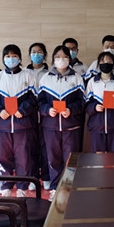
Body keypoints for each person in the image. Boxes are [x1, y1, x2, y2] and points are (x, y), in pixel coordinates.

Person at [0, 44, 37, 197]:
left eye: (14, 56)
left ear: (20, 58)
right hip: (1, 126)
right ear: (3, 59)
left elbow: (34, 99)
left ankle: (22, 186)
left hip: (22, 126)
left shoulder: (29, 76)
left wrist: (23, 110)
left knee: (23, 157)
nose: (11, 59)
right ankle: (5, 185)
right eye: (8, 56)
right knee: (3, 157)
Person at [37, 45, 85, 199]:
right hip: (50, 126)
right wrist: (47, 110)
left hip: (71, 126)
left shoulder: (77, 78)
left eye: (64, 57)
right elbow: (39, 101)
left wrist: (71, 110)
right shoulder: (45, 78)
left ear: (69, 59)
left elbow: (82, 101)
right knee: (53, 158)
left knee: (70, 159)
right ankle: (55, 188)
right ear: (53, 59)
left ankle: (70, 187)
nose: (61, 60)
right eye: (57, 57)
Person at [85, 51, 114, 152]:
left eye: (109, 61)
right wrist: (94, 107)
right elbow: (86, 104)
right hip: (97, 126)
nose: (106, 63)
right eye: (103, 61)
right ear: (98, 64)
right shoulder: (92, 82)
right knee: (98, 157)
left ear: (113, 64)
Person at [25, 43, 49, 190]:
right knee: (30, 147)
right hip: (29, 115)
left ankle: (46, 177)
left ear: (44, 55)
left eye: (40, 52)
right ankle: (33, 177)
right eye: (33, 52)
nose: (36, 54)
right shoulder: (24, 73)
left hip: (46, 115)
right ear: (29, 55)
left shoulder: (50, 73)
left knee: (45, 148)